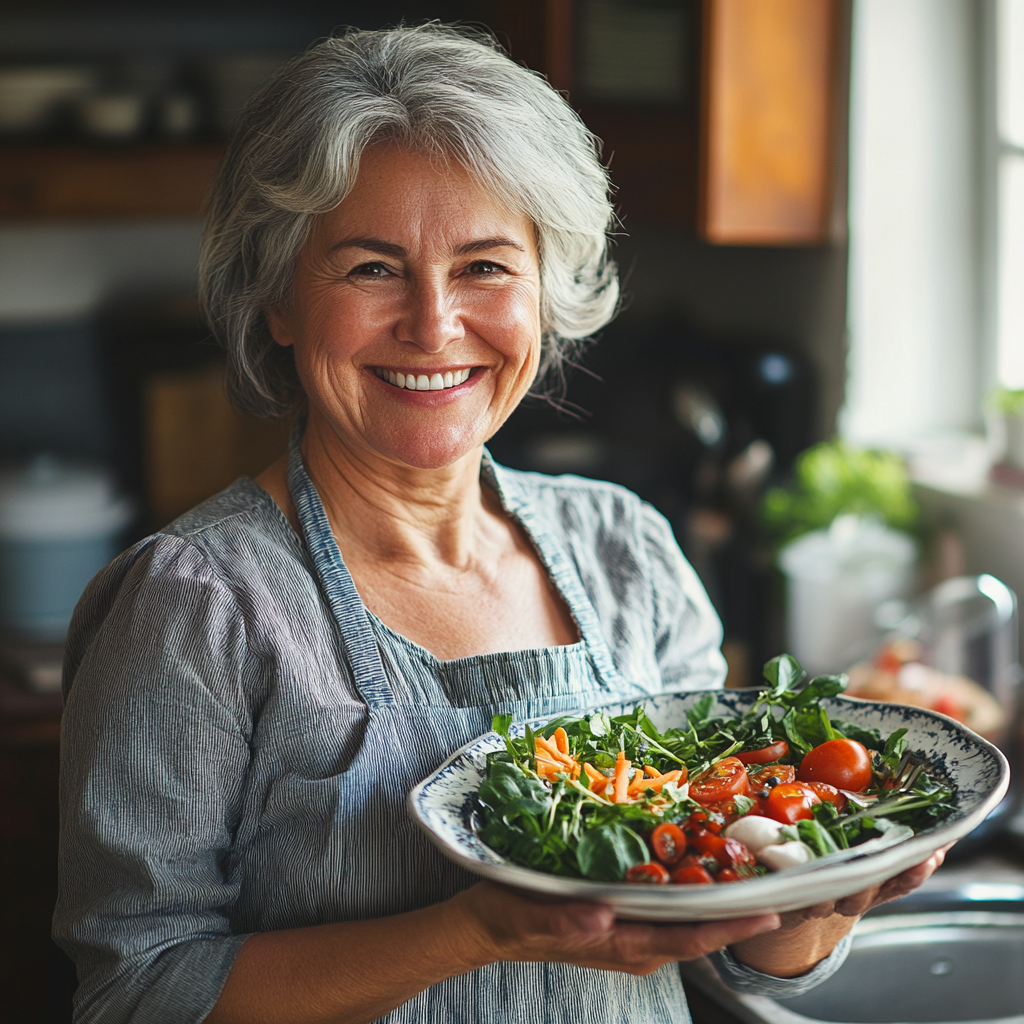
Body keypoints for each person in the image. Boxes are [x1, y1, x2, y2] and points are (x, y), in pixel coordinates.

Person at [54, 24, 946, 1024]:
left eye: (484, 266)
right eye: (370, 269)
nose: (434, 326)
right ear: (276, 298)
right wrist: (473, 930)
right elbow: (138, 994)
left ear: (545, 291)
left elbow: (725, 954)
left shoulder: (627, 552)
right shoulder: (193, 605)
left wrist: (814, 898)